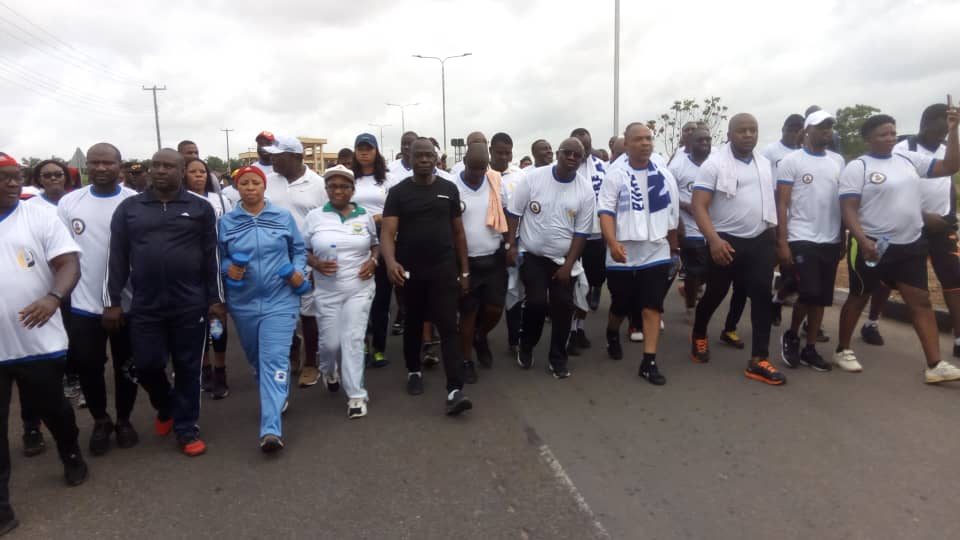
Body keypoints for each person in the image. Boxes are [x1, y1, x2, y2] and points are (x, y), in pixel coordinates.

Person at [106, 148, 226, 456]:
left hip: (190, 302)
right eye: (155, 165)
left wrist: (216, 299)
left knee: (188, 367)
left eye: (168, 166)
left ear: (182, 170)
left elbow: (211, 256)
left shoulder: (200, 207)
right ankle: (166, 404)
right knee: (146, 364)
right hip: (144, 303)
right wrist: (112, 300)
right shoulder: (129, 208)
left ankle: (186, 428)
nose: (160, 170)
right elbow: (116, 257)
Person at [835, 110, 960, 382]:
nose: (890, 138)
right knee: (859, 297)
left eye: (892, 132)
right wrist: (861, 239)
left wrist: (953, 132)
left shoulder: (907, 158)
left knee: (921, 301)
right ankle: (843, 349)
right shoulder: (859, 167)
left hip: (910, 244)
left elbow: (950, 167)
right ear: (869, 138)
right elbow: (848, 209)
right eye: (883, 134)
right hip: (872, 246)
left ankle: (935, 364)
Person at [0, 152, 87, 535]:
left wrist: (53, 298)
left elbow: (68, 263)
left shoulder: (39, 216)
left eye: (16, 176)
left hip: (37, 340)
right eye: (4, 177)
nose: (14, 182)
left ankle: (70, 450)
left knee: (53, 409)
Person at [58, 143, 142, 457]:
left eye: (108, 162)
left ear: (120, 166)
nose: (101, 168)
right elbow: (62, 252)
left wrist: (120, 300)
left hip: (129, 304)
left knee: (127, 367)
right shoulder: (69, 202)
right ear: (86, 167)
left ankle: (123, 419)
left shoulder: (134, 202)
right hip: (83, 305)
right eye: (95, 163)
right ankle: (100, 420)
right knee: (90, 367)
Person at [691, 113, 786, 385]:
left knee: (761, 297)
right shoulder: (714, 164)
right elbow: (699, 205)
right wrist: (714, 240)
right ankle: (699, 333)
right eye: (742, 130)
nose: (748, 135)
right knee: (716, 293)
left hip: (760, 240)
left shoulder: (765, 164)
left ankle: (759, 359)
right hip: (725, 241)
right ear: (730, 134)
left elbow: (770, 202)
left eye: (753, 130)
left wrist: (778, 241)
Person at [381, 138, 473, 415]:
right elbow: (387, 232)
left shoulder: (449, 189)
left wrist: (465, 269)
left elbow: (458, 232)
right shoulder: (398, 193)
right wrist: (390, 261)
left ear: (436, 158)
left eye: (428, 155)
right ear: (408, 157)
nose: (423, 159)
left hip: (443, 270)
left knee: (448, 326)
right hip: (411, 271)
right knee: (413, 323)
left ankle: (455, 390)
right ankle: (413, 371)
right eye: (418, 154)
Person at [219, 166, 306, 450]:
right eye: (244, 183)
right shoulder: (227, 222)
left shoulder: (281, 217)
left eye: (256, 182)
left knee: (273, 360)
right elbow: (218, 258)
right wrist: (228, 268)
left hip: (280, 299)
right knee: (257, 360)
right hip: (243, 303)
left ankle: (270, 430)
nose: (251, 187)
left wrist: (298, 271)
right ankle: (276, 391)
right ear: (237, 188)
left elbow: (299, 250)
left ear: (264, 186)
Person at [506, 138, 595, 378]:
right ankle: (526, 344)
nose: (573, 158)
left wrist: (568, 265)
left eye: (578, 156)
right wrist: (511, 245)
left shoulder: (585, 190)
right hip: (533, 255)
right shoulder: (533, 178)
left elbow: (582, 232)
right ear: (558, 153)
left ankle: (558, 358)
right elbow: (514, 213)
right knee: (536, 302)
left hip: (564, 259)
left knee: (563, 307)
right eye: (568, 153)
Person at [599, 123, 679, 385]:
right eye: (638, 139)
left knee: (651, 306)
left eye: (648, 138)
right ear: (627, 144)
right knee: (622, 304)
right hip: (622, 251)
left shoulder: (664, 175)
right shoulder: (615, 174)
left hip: (655, 250)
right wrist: (612, 243)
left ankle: (649, 361)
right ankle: (612, 331)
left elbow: (672, 216)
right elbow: (606, 213)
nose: (645, 143)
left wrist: (674, 247)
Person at [303, 165, 379, 418]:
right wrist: (315, 263)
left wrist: (374, 261)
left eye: (344, 186)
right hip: (327, 291)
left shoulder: (363, 215)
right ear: (326, 189)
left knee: (352, 339)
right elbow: (302, 250)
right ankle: (328, 369)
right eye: (332, 186)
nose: (338, 191)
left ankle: (356, 395)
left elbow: (375, 245)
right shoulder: (315, 217)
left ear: (352, 189)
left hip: (359, 287)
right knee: (331, 343)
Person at [775, 110, 844, 372]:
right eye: (821, 126)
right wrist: (782, 241)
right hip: (801, 235)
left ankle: (810, 348)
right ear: (807, 131)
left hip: (830, 237)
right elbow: (782, 203)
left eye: (830, 127)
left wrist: (843, 235)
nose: (827, 131)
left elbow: (843, 201)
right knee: (809, 291)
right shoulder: (792, 161)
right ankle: (792, 335)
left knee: (822, 298)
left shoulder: (838, 161)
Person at [892, 104, 960, 356]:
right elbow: (894, 191)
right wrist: (922, 216)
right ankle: (872, 322)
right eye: (943, 126)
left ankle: (958, 339)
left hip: (941, 227)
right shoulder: (903, 149)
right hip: (911, 225)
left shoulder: (947, 149)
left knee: (953, 278)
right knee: (892, 282)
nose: (944, 133)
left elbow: (949, 182)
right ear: (927, 123)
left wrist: (950, 214)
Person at [261, 135, 327, 384]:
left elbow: (326, 221)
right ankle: (291, 354)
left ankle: (311, 362)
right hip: (272, 260)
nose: (272, 159)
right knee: (280, 311)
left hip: (308, 259)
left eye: (279, 155)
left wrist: (317, 260)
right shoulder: (267, 182)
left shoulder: (319, 185)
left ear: (297, 157)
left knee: (309, 311)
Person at [455, 143, 510, 383]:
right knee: (468, 312)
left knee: (495, 310)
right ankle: (466, 360)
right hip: (465, 261)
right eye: (473, 167)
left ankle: (480, 336)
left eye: (482, 168)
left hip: (494, 258)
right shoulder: (452, 186)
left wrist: (510, 245)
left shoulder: (496, 182)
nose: (478, 173)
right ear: (464, 161)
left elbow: (507, 215)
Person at [184, 158, 233, 399]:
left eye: (202, 171)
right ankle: (203, 369)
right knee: (196, 322)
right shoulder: (178, 201)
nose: (198, 176)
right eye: (192, 172)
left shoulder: (221, 200)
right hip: (189, 271)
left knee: (217, 319)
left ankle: (220, 369)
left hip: (216, 267)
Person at [350, 133, 394, 371]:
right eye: (360, 148)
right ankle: (362, 344)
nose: (364, 152)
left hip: (383, 240)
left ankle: (379, 347)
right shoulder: (350, 178)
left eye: (369, 148)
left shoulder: (387, 179)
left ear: (376, 151)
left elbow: (397, 208)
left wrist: (381, 217)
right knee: (358, 296)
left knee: (381, 299)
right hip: (356, 244)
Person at [669, 127, 713, 323]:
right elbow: (667, 195)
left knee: (708, 270)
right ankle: (691, 306)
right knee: (695, 269)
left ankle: (689, 287)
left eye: (707, 140)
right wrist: (684, 206)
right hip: (689, 227)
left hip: (714, 227)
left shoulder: (716, 165)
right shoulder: (678, 166)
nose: (704, 144)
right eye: (700, 141)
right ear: (690, 144)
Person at [490, 133, 526, 355]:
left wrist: (513, 243)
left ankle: (515, 339)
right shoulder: (481, 174)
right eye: (499, 152)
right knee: (491, 297)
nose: (504, 157)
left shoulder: (520, 177)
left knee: (516, 291)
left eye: (508, 152)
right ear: (490, 151)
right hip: (489, 245)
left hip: (515, 242)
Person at [571, 128, 607, 319]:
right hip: (571, 229)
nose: (584, 149)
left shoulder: (602, 167)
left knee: (596, 268)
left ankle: (596, 287)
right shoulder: (565, 165)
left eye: (587, 145)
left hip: (596, 229)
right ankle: (576, 301)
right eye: (580, 145)